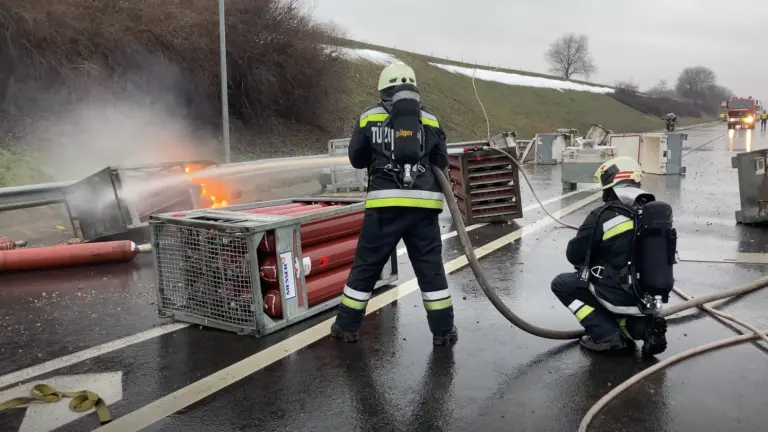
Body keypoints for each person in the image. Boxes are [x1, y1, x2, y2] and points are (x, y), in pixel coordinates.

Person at [330, 61, 458, 346]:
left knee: (366, 267)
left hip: (383, 207)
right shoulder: (431, 119)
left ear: (382, 88)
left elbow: (357, 159)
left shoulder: (369, 117)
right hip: (424, 209)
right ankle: (443, 332)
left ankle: (346, 327)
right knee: (431, 270)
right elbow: (441, 162)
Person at [550, 156, 668, 355]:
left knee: (562, 284)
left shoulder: (602, 216)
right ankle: (646, 329)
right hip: (651, 298)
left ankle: (606, 334)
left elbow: (574, 254)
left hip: (619, 295)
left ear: (612, 184)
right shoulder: (656, 214)